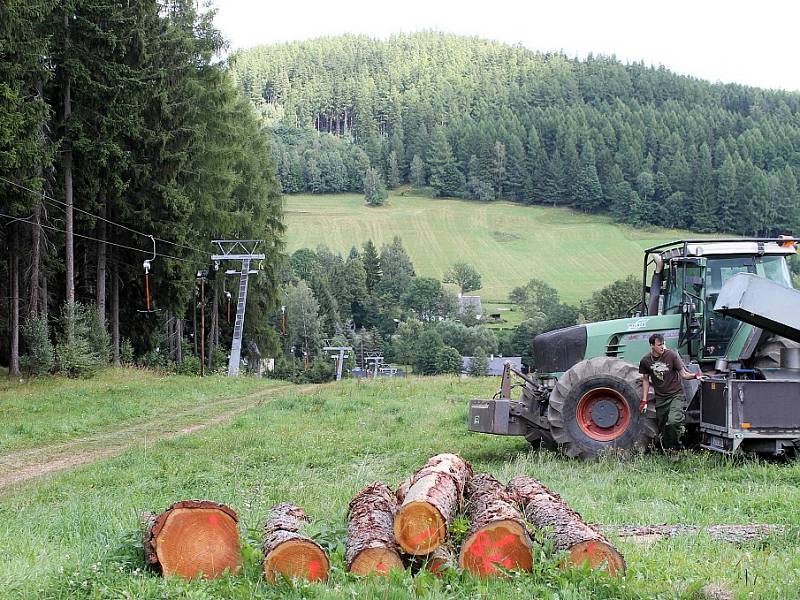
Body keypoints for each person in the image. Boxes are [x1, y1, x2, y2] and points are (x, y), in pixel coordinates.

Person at [639, 333, 703, 450]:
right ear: (652, 346)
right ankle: (668, 450)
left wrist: (695, 375)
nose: (662, 347)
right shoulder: (645, 361)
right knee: (663, 427)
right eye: (659, 345)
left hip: (676, 395)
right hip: (661, 399)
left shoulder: (671, 356)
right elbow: (645, 380)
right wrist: (644, 400)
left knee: (673, 421)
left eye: (663, 344)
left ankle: (676, 449)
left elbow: (684, 374)